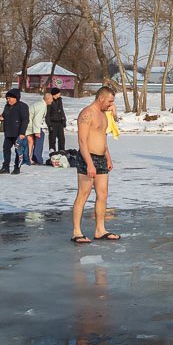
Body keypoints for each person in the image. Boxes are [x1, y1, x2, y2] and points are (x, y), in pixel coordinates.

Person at [71, 86, 119, 244]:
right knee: (83, 194)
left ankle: (100, 229)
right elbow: (82, 141)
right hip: (87, 158)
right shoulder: (87, 113)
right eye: (110, 101)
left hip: (101, 158)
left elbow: (102, 139)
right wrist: (89, 164)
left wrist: (108, 157)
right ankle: (76, 232)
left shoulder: (104, 115)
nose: (111, 104)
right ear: (101, 98)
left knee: (103, 194)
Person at [0, 89, 30, 174]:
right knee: (6, 149)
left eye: (9, 98)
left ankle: (17, 168)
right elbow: (3, 115)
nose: (8, 100)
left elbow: (25, 120)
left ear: (15, 98)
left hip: (18, 133)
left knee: (18, 151)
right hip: (8, 132)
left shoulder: (23, 106)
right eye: (7, 98)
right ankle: (5, 167)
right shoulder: (7, 106)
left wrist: (22, 133)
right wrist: (1, 118)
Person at [27, 94, 48, 165]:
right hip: (30, 125)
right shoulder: (42, 106)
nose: (52, 101)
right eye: (51, 99)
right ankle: (36, 158)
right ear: (48, 99)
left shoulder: (40, 103)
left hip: (29, 124)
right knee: (38, 138)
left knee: (31, 142)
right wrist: (37, 132)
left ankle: (30, 158)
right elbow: (37, 119)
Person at [46, 87, 67, 152]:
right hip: (53, 122)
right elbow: (47, 114)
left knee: (62, 139)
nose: (60, 94)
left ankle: (61, 152)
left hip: (60, 122)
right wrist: (49, 125)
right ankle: (52, 153)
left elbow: (62, 111)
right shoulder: (50, 101)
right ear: (55, 94)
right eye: (58, 93)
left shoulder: (59, 100)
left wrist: (64, 120)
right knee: (52, 140)